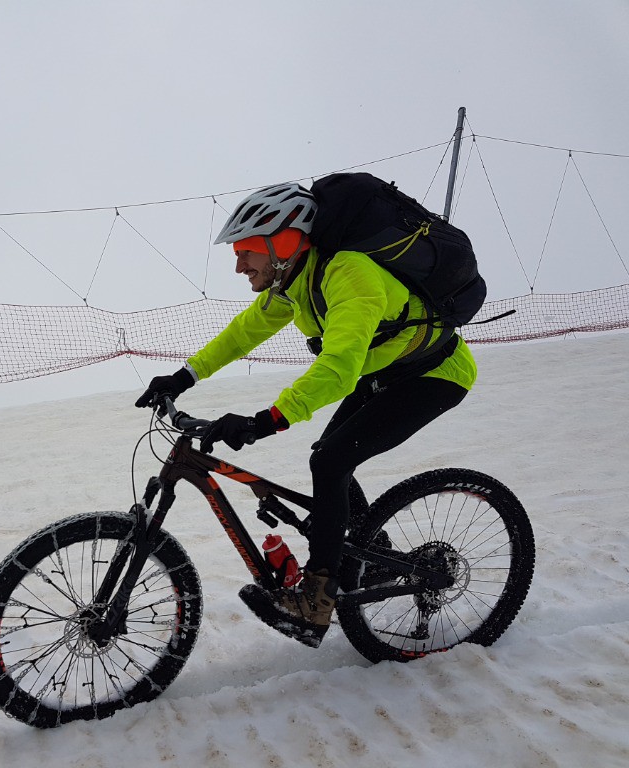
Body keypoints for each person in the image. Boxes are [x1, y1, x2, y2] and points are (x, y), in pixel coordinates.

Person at [134, 182, 477, 648]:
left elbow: (337, 370)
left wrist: (265, 420)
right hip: (385, 373)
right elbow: (243, 333)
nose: (238, 265)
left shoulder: (350, 274)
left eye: (247, 251)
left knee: (330, 461)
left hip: (434, 375)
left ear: (284, 242)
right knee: (328, 456)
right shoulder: (293, 282)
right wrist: (183, 377)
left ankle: (315, 602)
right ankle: (371, 556)